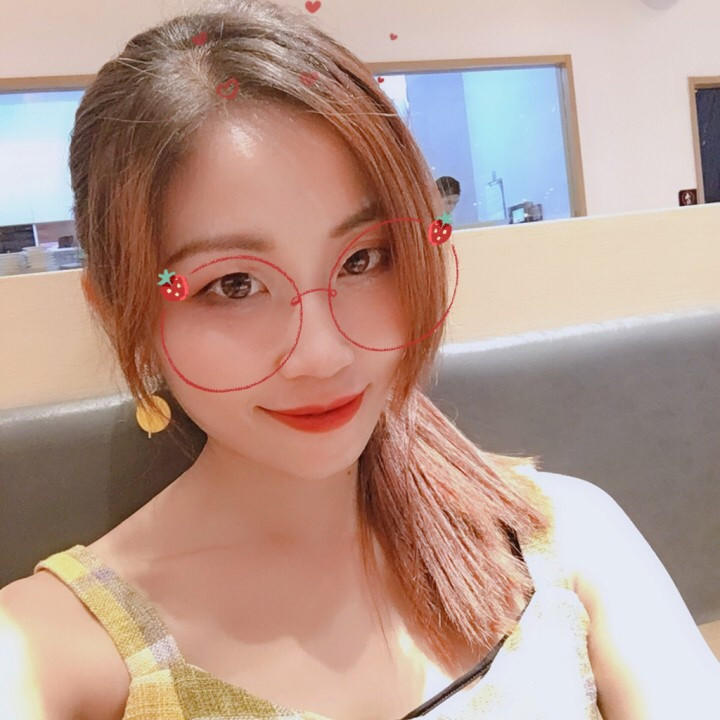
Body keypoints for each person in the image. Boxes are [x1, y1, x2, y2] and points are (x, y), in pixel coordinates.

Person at [2, 1, 719, 719]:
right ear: (117, 308)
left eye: (364, 259)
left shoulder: (562, 537)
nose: (323, 353)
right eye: (233, 285)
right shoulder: (54, 650)